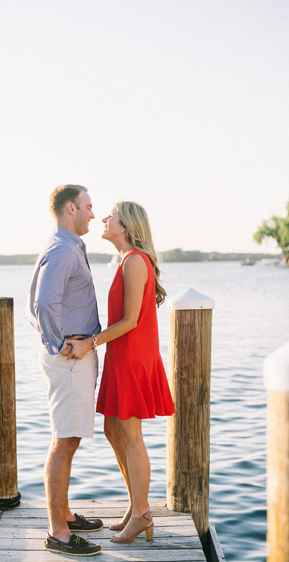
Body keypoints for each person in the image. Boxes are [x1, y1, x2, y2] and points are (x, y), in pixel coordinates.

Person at [66, 201, 175, 543]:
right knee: (114, 430)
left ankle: (142, 514)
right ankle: (136, 506)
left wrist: (90, 343)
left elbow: (130, 322)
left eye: (111, 216)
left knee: (131, 436)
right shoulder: (128, 261)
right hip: (122, 355)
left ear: (125, 226)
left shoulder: (134, 263)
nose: (104, 219)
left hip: (132, 358)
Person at [28, 184, 104, 556]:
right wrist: (59, 345)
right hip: (69, 356)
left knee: (69, 438)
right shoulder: (62, 250)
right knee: (64, 440)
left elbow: (43, 303)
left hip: (75, 353)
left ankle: (65, 515)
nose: (93, 213)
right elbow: (43, 303)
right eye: (88, 207)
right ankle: (58, 532)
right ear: (70, 207)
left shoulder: (68, 246)